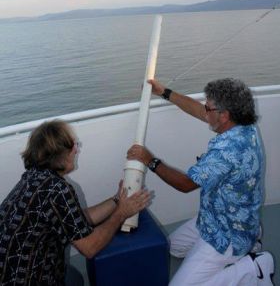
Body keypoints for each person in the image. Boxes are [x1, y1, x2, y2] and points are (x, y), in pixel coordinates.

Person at [127, 78, 274, 286]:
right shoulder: (242, 123)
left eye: (208, 107)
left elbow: (185, 184)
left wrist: (149, 159)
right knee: (171, 248)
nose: (204, 110)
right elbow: (198, 110)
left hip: (228, 233)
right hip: (213, 216)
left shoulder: (227, 151)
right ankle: (249, 243)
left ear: (224, 116)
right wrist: (164, 92)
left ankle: (252, 266)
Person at [0, 120, 150, 285]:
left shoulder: (32, 177)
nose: (77, 150)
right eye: (74, 146)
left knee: (75, 278)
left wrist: (117, 199)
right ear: (62, 154)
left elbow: (75, 219)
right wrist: (121, 214)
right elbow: (90, 248)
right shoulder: (57, 189)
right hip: (24, 279)